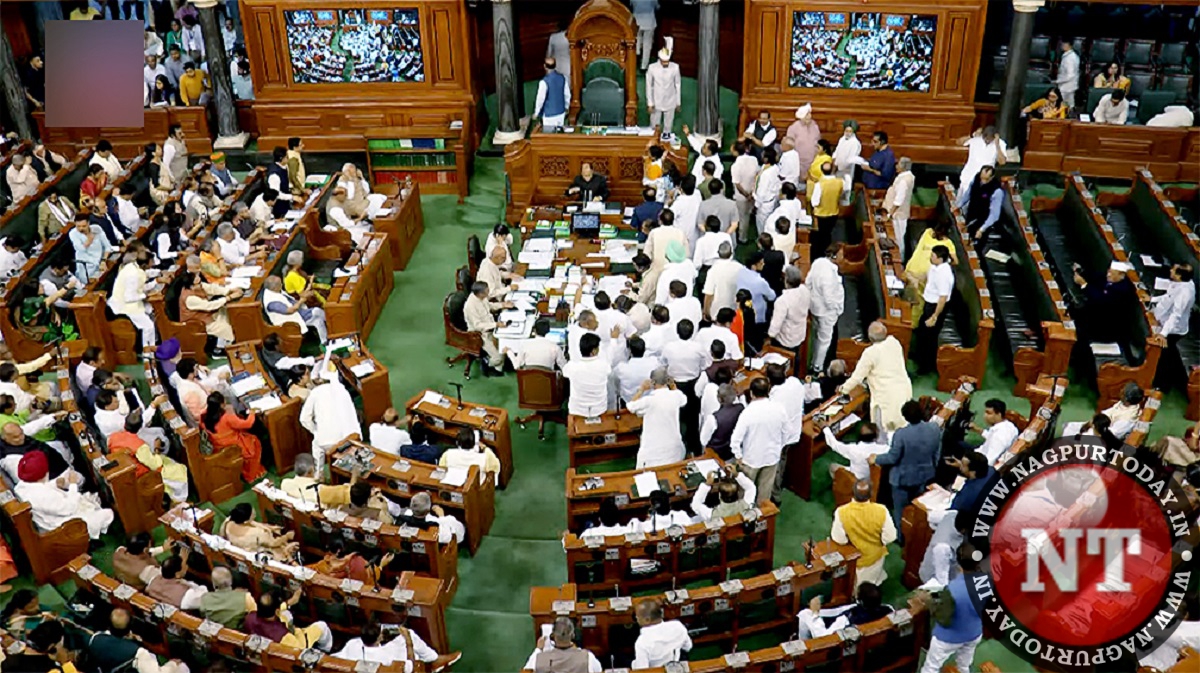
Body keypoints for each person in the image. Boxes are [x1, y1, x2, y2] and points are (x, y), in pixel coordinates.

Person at [873, 400, 941, 534]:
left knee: (900, 509)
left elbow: (892, 457)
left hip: (902, 479)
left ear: (904, 417)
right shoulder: (934, 428)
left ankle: (901, 537)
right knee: (917, 506)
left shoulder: (901, 434)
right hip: (924, 475)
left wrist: (876, 458)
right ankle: (913, 534)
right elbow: (937, 453)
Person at [13, 449, 114, 539]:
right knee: (108, 514)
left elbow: (41, 488)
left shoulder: (21, 487)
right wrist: (73, 484)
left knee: (90, 499)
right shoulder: (43, 495)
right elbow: (69, 508)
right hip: (61, 527)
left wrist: (55, 484)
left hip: (52, 517)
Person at [917, 543, 984, 673]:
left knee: (931, 667)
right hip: (974, 632)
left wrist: (928, 601)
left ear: (959, 564)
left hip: (949, 637)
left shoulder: (953, 589)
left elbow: (943, 617)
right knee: (964, 665)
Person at [841, 322, 914, 432]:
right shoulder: (894, 342)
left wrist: (843, 389)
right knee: (903, 426)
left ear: (869, 337)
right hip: (904, 391)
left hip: (885, 397)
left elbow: (857, 378)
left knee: (884, 433)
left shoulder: (870, 353)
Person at [107, 411, 189, 503]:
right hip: (141, 474)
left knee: (169, 461)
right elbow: (154, 465)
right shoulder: (139, 446)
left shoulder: (114, 436)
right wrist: (157, 449)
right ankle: (178, 499)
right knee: (179, 470)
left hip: (126, 467)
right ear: (140, 427)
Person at [730, 378, 788, 503]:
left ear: (751, 393)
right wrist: (779, 447)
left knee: (745, 494)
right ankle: (761, 518)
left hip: (751, 459)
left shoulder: (747, 413)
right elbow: (786, 432)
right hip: (771, 457)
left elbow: (735, 439)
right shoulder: (779, 409)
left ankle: (745, 517)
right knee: (765, 494)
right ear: (769, 390)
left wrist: (738, 456)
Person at [831, 478, 896, 587]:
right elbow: (891, 537)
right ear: (871, 493)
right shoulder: (882, 510)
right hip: (874, 556)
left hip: (855, 558)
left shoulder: (841, 511)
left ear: (853, 492)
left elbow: (839, 539)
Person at [334, 621, 459, 671]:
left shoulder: (352, 645)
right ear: (380, 637)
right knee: (409, 635)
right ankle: (434, 660)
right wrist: (408, 641)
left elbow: (335, 657)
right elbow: (410, 666)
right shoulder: (389, 654)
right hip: (395, 669)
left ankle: (434, 659)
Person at [299, 373, 362, 473]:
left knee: (316, 444)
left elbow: (304, 419)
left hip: (328, 442)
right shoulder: (343, 389)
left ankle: (319, 475)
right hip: (351, 438)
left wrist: (315, 430)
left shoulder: (315, 392)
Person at [627, 368, 687, 468]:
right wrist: (673, 386)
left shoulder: (649, 400)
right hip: (674, 450)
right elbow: (683, 399)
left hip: (652, 454)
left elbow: (631, 406)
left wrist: (641, 389)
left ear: (652, 382)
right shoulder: (676, 396)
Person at [201, 392, 266, 483]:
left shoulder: (204, 415)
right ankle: (251, 474)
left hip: (218, 445)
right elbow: (247, 424)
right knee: (254, 441)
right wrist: (252, 413)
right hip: (234, 444)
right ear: (221, 404)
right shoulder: (226, 418)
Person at [244, 588, 334, 652]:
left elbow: (275, 611)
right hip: (288, 651)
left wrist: (289, 602)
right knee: (322, 626)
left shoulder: (250, 617)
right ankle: (325, 651)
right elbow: (301, 647)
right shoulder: (284, 636)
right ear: (277, 611)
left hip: (262, 651)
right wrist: (294, 629)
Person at [1072, 261, 1138, 344]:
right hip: (1096, 315)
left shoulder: (1123, 290)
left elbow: (1101, 300)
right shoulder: (1112, 279)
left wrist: (1084, 284)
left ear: (1121, 275)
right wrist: (1081, 271)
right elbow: (1098, 278)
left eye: (1112, 273)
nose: (1108, 275)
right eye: (1109, 271)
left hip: (1106, 327)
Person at [797, 583, 893, 639]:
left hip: (842, 645)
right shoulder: (888, 609)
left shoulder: (847, 618)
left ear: (860, 600)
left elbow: (824, 637)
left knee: (804, 614)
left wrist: (815, 613)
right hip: (873, 641)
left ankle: (804, 647)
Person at [805, 243, 844, 371]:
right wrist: (836, 309)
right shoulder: (828, 275)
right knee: (824, 341)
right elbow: (829, 299)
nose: (843, 257)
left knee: (817, 336)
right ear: (834, 256)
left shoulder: (818, 262)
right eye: (841, 254)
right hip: (826, 312)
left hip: (815, 308)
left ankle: (814, 362)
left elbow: (808, 282)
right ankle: (817, 367)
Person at [223, 502, 297, 565]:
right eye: (252, 513)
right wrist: (287, 536)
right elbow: (273, 543)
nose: (254, 512)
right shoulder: (257, 533)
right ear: (246, 520)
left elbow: (250, 523)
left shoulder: (228, 523)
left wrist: (268, 527)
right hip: (258, 555)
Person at [111, 252, 158, 347]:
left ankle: (155, 343)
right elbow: (129, 297)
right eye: (151, 262)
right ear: (145, 264)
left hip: (131, 301)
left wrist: (156, 280)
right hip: (123, 306)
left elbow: (139, 286)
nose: (153, 264)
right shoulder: (133, 275)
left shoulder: (134, 267)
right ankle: (148, 356)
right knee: (148, 326)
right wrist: (145, 296)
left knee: (152, 310)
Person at [263, 275, 328, 343]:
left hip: (299, 311)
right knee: (316, 311)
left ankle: (325, 341)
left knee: (318, 321)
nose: (282, 284)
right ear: (275, 288)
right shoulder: (272, 303)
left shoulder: (275, 291)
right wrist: (301, 301)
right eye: (280, 284)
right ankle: (333, 322)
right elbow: (290, 310)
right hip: (291, 320)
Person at [525, 616, 602, 673]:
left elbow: (527, 670)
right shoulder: (588, 658)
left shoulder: (537, 659)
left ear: (553, 636)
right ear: (573, 635)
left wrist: (538, 650)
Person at [631, 598, 692, 669]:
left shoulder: (642, 642)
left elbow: (642, 670)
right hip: (676, 664)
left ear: (647, 620)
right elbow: (688, 647)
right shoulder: (678, 626)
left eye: (637, 617)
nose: (637, 619)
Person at [463, 281, 508, 375]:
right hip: (480, 334)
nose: (489, 292)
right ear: (480, 293)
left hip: (491, 326)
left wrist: (502, 305)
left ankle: (497, 370)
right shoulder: (470, 306)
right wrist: (496, 325)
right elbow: (478, 326)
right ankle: (486, 362)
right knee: (498, 358)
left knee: (505, 344)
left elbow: (489, 306)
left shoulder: (481, 297)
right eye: (487, 291)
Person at [563, 333, 612, 417]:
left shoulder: (572, 366)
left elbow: (564, 373)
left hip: (577, 411)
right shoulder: (604, 365)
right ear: (594, 351)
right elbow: (608, 371)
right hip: (599, 410)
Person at [957, 126, 1007, 196]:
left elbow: (1002, 162)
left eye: (989, 139)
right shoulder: (975, 138)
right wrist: (972, 135)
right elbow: (958, 142)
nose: (987, 141)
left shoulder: (1001, 143)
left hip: (985, 180)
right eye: (985, 138)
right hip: (968, 177)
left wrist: (997, 145)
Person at [809, 161, 843, 259]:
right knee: (827, 234)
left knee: (818, 237)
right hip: (833, 213)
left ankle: (817, 256)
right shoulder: (840, 182)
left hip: (821, 215)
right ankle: (826, 253)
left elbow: (814, 202)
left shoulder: (820, 185)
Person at [969, 399, 1018, 466]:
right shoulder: (1008, 426)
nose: (985, 416)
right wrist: (978, 430)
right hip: (981, 453)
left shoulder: (1000, 436)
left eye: (989, 413)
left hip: (980, 462)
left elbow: (990, 461)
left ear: (999, 414)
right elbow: (992, 437)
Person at [702, 243, 742, 321]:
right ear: (731, 253)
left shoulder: (713, 271)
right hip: (734, 309)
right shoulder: (739, 267)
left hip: (717, 312)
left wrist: (706, 312)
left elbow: (709, 294)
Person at [646, 48, 681, 138]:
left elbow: (677, 85)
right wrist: (650, 103)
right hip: (656, 99)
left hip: (670, 99)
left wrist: (678, 102)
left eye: (667, 61)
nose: (666, 63)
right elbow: (649, 86)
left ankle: (667, 137)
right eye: (664, 61)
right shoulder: (652, 68)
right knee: (654, 124)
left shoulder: (675, 67)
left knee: (668, 123)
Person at [885, 157, 915, 258]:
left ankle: (899, 259)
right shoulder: (907, 176)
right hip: (899, 213)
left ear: (903, 167)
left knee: (898, 238)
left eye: (898, 164)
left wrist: (890, 214)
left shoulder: (904, 181)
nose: (896, 166)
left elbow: (899, 200)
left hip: (898, 214)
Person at [729, 140, 759, 243]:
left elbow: (737, 184)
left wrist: (746, 195)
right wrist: (752, 192)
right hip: (752, 193)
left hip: (742, 196)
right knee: (746, 216)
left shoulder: (735, 166)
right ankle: (742, 236)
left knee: (742, 217)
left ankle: (741, 238)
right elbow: (757, 175)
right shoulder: (754, 160)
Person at [785, 104, 820, 183]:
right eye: (806, 114)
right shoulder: (793, 127)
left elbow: (818, 141)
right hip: (799, 162)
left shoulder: (814, 126)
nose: (809, 116)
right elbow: (789, 144)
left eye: (809, 114)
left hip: (813, 161)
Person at [752, 147, 782, 236]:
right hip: (770, 200)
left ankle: (763, 242)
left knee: (762, 227)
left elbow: (761, 193)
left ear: (766, 158)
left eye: (763, 155)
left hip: (764, 204)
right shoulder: (772, 167)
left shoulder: (766, 174)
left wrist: (756, 206)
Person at [533, 57, 570, 128]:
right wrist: (566, 107)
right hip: (561, 113)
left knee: (549, 135)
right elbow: (567, 95)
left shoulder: (544, 82)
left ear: (545, 66)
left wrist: (536, 113)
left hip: (549, 115)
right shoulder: (563, 78)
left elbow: (540, 99)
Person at [832, 119, 862, 199]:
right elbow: (837, 151)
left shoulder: (855, 143)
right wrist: (834, 160)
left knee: (845, 189)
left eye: (850, 131)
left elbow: (851, 158)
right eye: (846, 131)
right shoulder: (842, 139)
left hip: (847, 170)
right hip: (838, 168)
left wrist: (841, 166)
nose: (848, 133)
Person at [631, 0, 658, 70]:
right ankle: (644, 66)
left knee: (636, 39)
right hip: (649, 21)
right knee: (647, 45)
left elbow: (631, 5)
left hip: (636, 20)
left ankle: (637, 54)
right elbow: (657, 6)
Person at [1055, 40, 1080, 109]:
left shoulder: (1070, 58)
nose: (1062, 46)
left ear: (1069, 45)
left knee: (1067, 106)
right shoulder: (1069, 55)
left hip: (1067, 86)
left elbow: (1070, 75)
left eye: (1064, 44)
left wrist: (1058, 81)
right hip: (1067, 85)